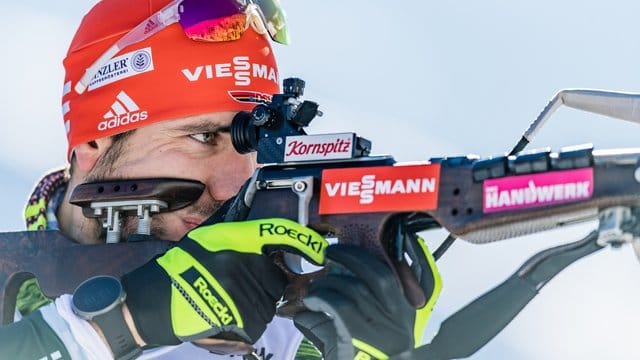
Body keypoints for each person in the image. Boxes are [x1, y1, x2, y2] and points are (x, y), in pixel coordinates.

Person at [1, 0, 442, 359]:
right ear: (93, 142)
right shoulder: (14, 288)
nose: (235, 186)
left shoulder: (298, 310)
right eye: (203, 137)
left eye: (253, 145)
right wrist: (107, 329)